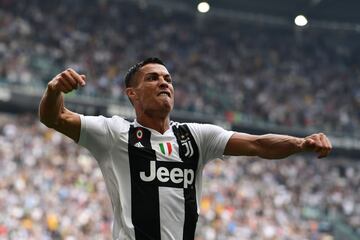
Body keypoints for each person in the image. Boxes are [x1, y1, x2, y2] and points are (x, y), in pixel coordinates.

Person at [39, 57, 332, 240]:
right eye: (152, 78)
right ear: (132, 93)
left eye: (168, 79)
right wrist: (54, 91)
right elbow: (55, 117)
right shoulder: (115, 133)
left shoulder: (196, 136)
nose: (164, 83)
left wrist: (300, 143)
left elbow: (257, 144)